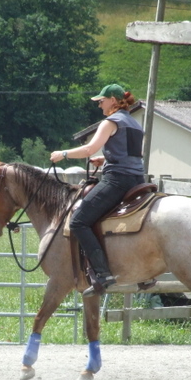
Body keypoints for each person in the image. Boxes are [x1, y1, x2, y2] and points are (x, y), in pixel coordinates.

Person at [50, 83, 145, 297]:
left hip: (118, 181)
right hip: (138, 180)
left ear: (113, 100)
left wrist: (62, 154)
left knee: (78, 221)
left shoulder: (110, 122)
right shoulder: (135, 124)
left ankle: (102, 273)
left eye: (101, 101)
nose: (99, 105)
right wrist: (105, 159)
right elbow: (130, 155)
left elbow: (88, 149)